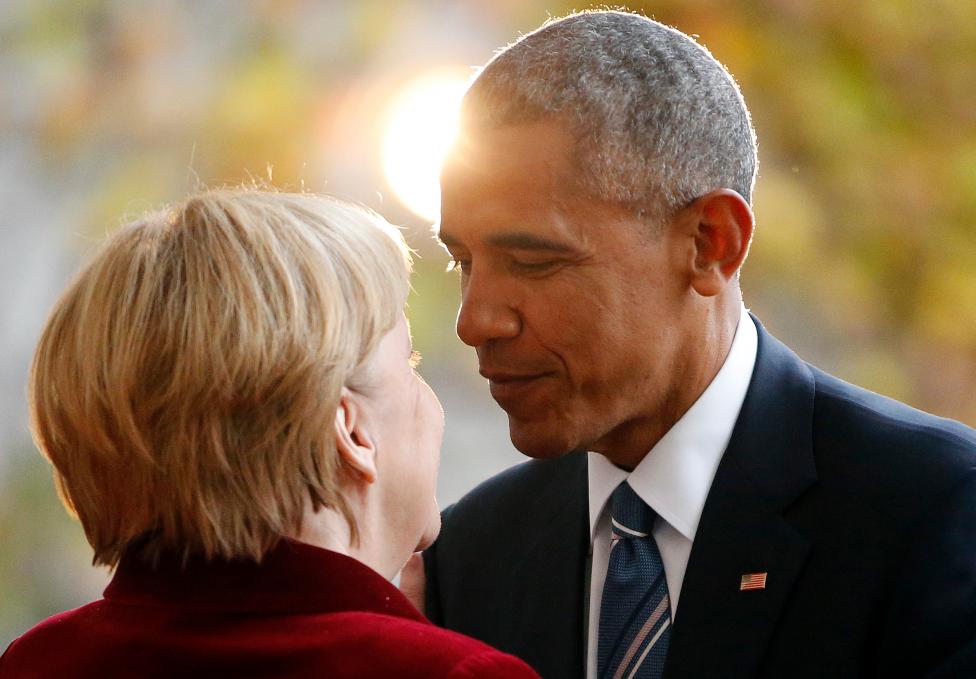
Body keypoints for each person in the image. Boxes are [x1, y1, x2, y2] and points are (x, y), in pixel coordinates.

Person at [418, 10, 976, 679]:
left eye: (533, 262)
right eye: (462, 262)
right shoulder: (471, 554)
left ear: (712, 242)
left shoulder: (931, 512)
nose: (475, 321)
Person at [0, 189, 539, 679]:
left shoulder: (34, 661)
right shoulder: (454, 673)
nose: (428, 398)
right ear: (351, 431)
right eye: (410, 363)